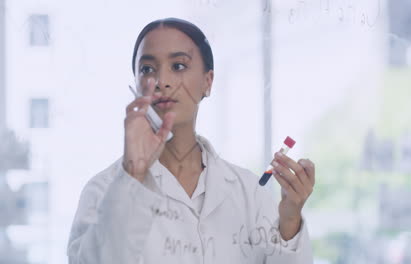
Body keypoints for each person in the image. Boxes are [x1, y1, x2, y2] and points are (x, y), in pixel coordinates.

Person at [67, 17, 316, 263]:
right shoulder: (102, 190)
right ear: (136, 84)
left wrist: (290, 221)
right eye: (147, 69)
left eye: (178, 66)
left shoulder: (249, 192)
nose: (162, 81)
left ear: (207, 82)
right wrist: (132, 177)